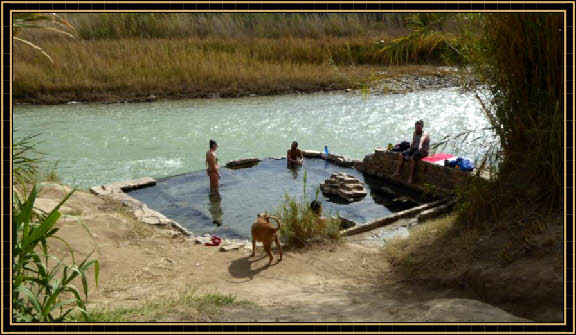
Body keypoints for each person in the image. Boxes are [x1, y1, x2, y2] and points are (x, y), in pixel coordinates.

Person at [391, 120, 430, 184]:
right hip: (416, 149)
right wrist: (410, 149)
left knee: (412, 158)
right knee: (402, 154)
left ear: (422, 127)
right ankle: (397, 171)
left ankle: (411, 177)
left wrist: (420, 146)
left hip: (423, 151)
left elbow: (421, 140)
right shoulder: (414, 133)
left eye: (419, 128)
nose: (418, 129)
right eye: (416, 128)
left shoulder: (425, 134)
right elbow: (413, 142)